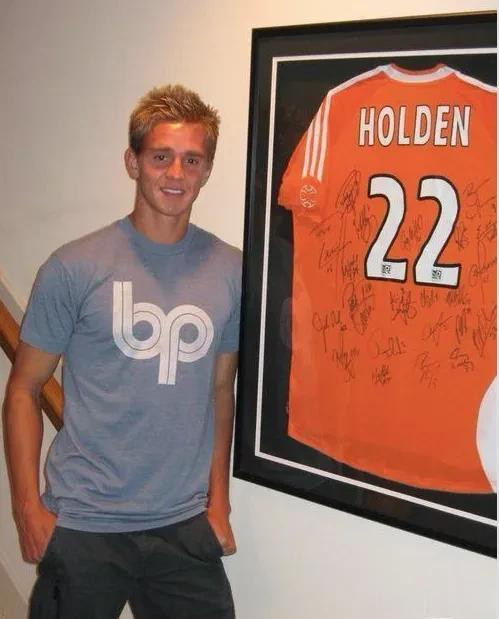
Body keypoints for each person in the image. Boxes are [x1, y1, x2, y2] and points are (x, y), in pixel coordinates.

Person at [3, 84, 241, 618]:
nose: (176, 174)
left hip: (183, 525)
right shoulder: (74, 267)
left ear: (206, 170)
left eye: (191, 160)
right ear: (133, 163)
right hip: (85, 523)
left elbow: (219, 392)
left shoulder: (230, 270)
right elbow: (23, 389)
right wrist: (27, 509)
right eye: (160, 157)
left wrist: (219, 503)